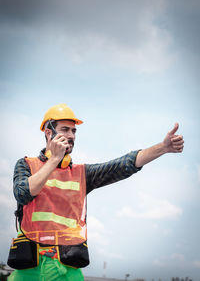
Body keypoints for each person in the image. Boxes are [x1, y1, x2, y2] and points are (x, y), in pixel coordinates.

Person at [7, 103, 184, 281]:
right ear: (48, 132)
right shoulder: (26, 165)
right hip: (31, 268)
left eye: (74, 131)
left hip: (68, 270)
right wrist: (54, 160)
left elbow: (124, 164)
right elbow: (23, 193)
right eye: (65, 130)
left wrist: (163, 148)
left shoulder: (82, 173)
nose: (70, 136)